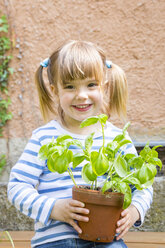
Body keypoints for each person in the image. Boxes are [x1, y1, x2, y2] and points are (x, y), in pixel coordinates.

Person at [8, 40, 153, 248]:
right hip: (55, 241)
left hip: (107, 238)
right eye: (69, 86)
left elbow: (143, 184)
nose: (81, 95)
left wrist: (135, 210)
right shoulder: (44, 137)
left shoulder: (117, 138)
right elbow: (17, 186)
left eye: (91, 85)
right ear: (54, 90)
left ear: (104, 86)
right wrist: (53, 207)